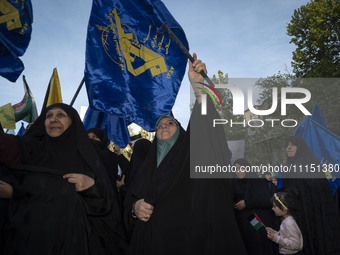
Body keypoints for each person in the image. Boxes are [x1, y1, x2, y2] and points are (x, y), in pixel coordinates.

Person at [125, 53, 247, 255]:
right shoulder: (147, 165)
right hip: (153, 243)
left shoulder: (192, 155)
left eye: (170, 123)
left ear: (180, 130)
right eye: (159, 125)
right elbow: (130, 197)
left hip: (192, 241)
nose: (164, 126)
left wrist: (198, 88)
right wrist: (135, 207)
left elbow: (206, 130)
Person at [0, 103, 126, 255]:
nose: (53, 120)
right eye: (49, 116)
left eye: (60, 115)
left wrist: (92, 186)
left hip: (70, 241)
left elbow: (105, 204)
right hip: (27, 239)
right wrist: (15, 194)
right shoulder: (30, 149)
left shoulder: (86, 156)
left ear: (72, 122)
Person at [283, 136, 340, 255]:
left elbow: (319, 189)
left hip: (314, 215)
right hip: (298, 215)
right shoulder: (288, 167)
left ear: (300, 147)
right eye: (287, 145)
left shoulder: (311, 165)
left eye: (292, 145)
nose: (288, 148)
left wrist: (299, 191)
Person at [233, 158, 278, 255]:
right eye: (236, 169)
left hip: (258, 218)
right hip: (243, 222)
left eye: (241, 168)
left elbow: (266, 199)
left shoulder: (256, 181)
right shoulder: (234, 184)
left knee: (260, 239)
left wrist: (246, 203)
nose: (238, 171)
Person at [266, 190, 303, 254]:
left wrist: (276, 238)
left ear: (284, 208)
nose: (272, 208)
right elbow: (285, 236)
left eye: (274, 206)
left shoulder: (289, 224)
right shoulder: (285, 220)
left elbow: (296, 245)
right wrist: (274, 232)